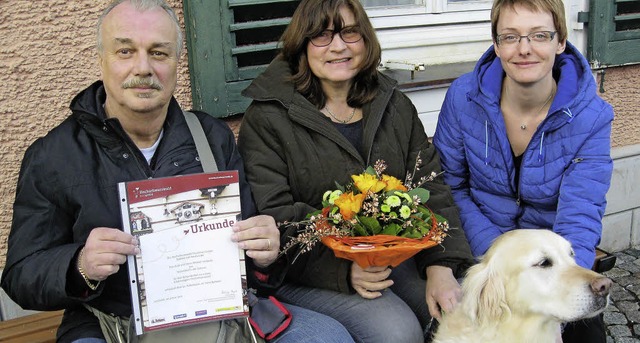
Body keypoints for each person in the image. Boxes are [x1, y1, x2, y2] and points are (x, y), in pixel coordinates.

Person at [0, 1, 354, 342]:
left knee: (329, 337)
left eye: (159, 52)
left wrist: (266, 255)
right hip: (108, 322)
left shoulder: (210, 137)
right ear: (101, 60)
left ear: (176, 62)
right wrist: (79, 266)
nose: (143, 68)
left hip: (216, 317)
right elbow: (20, 274)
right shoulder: (54, 155)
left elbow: (253, 264)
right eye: (125, 51)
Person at [237, 0, 475, 342]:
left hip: (391, 256)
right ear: (302, 44)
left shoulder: (393, 104)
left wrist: (441, 265)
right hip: (308, 270)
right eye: (321, 35)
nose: (338, 46)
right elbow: (277, 217)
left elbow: (431, 187)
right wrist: (343, 271)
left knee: (462, 313)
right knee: (396, 331)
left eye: (350, 32)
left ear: (365, 40)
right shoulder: (268, 118)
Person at [432, 0, 614, 342]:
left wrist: (561, 280)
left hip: (552, 256)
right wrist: (500, 253)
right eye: (511, 37)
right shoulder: (462, 98)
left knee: (585, 334)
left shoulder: (592, 116)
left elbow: (581, 210)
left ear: (560, 42)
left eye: (540, 35)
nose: (525, 49)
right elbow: (448, 187)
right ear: (496, 44)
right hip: (478, 248)